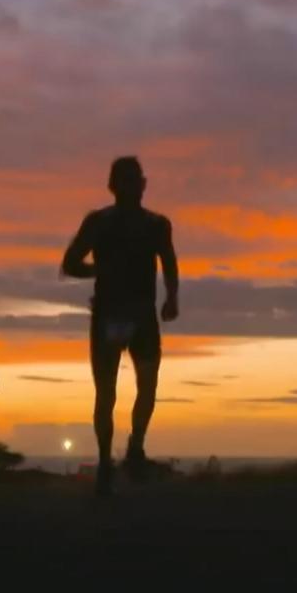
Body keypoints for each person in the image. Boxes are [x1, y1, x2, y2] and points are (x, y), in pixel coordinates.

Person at [62, 156, 179, 495]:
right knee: (106, 392)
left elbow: (169, 262)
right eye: (125, 180)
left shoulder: (157, 224)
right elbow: (70, 263)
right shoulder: (98, 222)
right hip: (109, 315)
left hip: (142, 315)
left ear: (143, 184)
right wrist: (100, 271)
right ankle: (104, 462)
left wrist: (171, 298)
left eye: (136, 180)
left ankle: (135, 448)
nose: (132, 186)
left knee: (148, 386)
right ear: (113, 186)